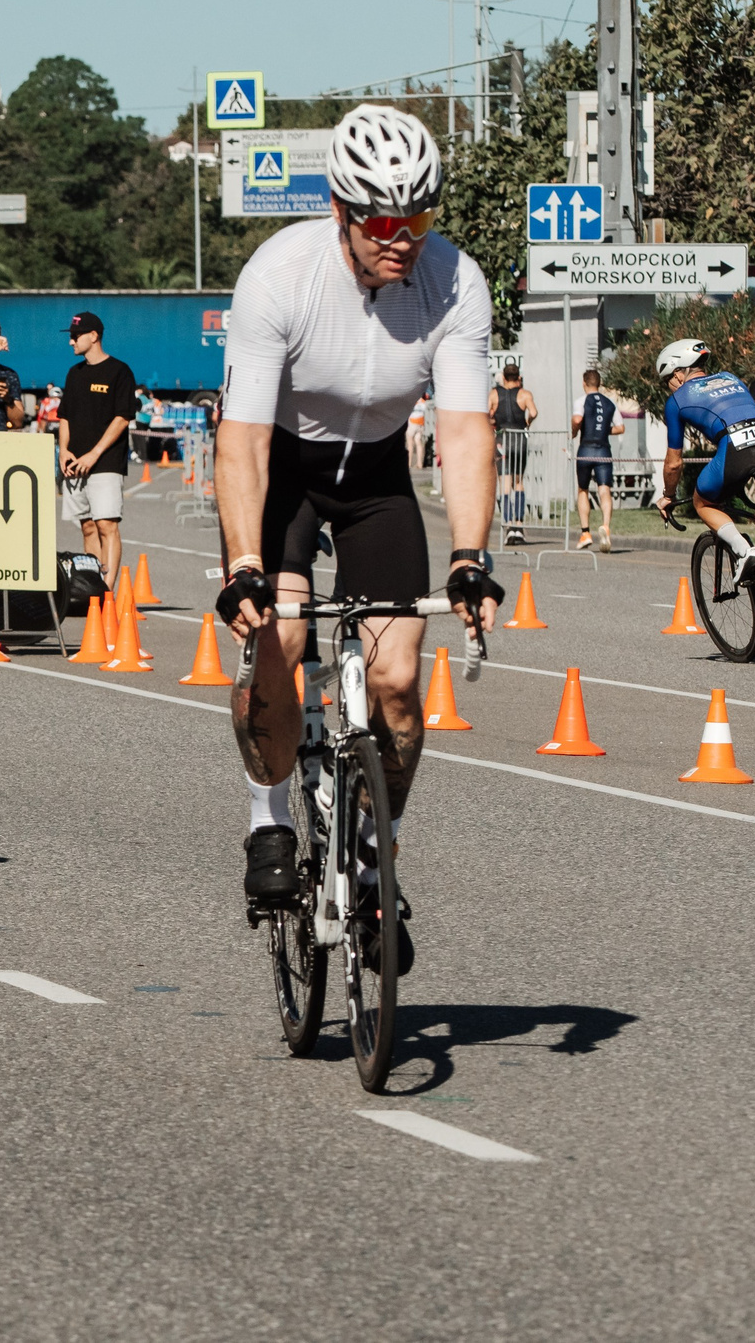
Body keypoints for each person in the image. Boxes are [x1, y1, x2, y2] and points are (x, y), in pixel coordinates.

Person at [213, 102, 501, 978]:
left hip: (376, 478)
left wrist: (469, 556)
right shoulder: (279, 276)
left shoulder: (455, 282)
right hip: (289, 472)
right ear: (340, 210)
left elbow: (461, 431)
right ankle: (269, 814)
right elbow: (244, 440)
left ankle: (378, 858)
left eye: (418, 216)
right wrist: (244, 567)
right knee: (284, 640)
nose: (401, 236)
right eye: (382, 218)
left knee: (400, 685)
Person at [653, 338, 755, 595]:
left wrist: (668, 496)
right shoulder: (730, 378)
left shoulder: (677, 400)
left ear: (679, 372)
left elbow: (673, 463)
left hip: (736, 448)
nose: (668, 386)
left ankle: (743, 550)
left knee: (703, 503)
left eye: (667, 378)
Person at [56, 311, 137, 589]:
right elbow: (64, 415)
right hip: (74, 463)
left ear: (94, 336)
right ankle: (92, 586)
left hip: (105, 462)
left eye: (75, 336)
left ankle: (108, 590)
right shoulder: (74, 373)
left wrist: (94, 453)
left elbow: (122, 417)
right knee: (87, 525)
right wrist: (63, 450)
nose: (71, 342)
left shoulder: (119, 371)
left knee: (106, 525)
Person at [570, 368, 624, 553]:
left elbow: (577, 419)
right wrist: (603, 430)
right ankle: (606, 526)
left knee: (583, 490)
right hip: (603, 450)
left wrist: (574, 431)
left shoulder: (581, 401)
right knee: (604, 489)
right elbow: (620, 427)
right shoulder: (610, 403)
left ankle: (585, 533)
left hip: (586, 449)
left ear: (584, 383)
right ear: (599, 384)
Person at [489, 361, 539, 543]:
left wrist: (493, 424)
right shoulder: (525, 394)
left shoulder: (494, 394)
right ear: (518, 378)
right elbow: (533, 412)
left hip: (502, 439)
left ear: (503, 377)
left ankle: (508, 525)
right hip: (519, 439)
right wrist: (527, 423)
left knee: (504, 483)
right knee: (518, 482)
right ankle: (518, 525)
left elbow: (487, 414)